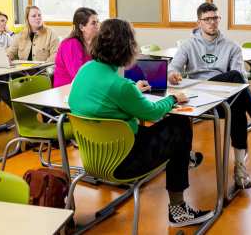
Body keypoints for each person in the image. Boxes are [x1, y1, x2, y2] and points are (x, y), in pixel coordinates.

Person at [68, 19, 213, 228]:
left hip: (92, 158)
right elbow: (153, 113)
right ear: (126, 47)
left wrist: (132, 88)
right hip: (123, 161)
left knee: (164, 132)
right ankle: (178, 209)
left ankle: (184, 158)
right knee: (179, 125)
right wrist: (173, 99)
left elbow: (98, 97)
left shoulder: (86, 70)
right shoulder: (119, 87)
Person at [168, 2, 251, 190]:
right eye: (207, 19)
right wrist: (172, 74)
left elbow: (240, 80)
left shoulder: (232, 46)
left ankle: (240, 168)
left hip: (222, 97)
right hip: (199, 98)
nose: (212, 23)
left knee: (237, 106)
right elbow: (173, 68)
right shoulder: (188, 46)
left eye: (215, 18)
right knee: (236, 79)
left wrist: (227, 87)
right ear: (199, 22)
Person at [53, 7, 99, 87]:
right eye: (93, 23)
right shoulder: (71, 44)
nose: (97, 26)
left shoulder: (95, 43)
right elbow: (78, 75)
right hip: (66, 90)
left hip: (85, 87)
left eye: (98, 22)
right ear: (82, 27)